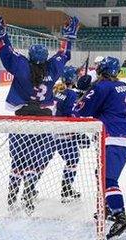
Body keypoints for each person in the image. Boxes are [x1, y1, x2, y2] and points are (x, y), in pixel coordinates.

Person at [0, 15, 78, 214]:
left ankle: (11, 198)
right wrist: (68, 36)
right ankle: (28, 197)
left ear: (30, 55)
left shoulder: (21, 66)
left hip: (21, 120)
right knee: (36, 163)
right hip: (43, 121)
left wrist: (1, 34)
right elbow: (64, 54)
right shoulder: (53, 68)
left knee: (18, 162)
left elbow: (6, 52)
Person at [73, 56, 126, 240]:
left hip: (113, 137)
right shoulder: (123, 85)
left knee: (108, 179)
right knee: (101, 174)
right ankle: (109, 209)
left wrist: (81, 92)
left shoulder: (101, 87)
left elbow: (79, 112)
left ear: (101, 71)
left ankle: (121, 220)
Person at [52, 66, 86, 202]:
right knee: (72, 160)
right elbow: (71, 113)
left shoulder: (55, 89)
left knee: (40, 163)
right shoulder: (71, 94)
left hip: (50, 131)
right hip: (65, 133)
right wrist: (79, 132)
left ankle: (28, 190)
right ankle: (66, 189)